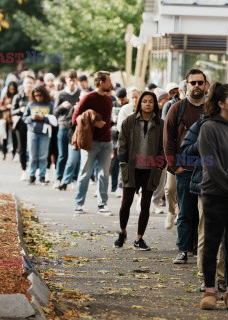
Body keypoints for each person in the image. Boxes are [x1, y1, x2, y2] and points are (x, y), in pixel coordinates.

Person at [197, 82, 228, 311]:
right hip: (215, 194)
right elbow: (212, 166)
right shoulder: (208, 128)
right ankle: (209, 291)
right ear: (220, 104)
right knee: (212, 242)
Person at [180, 111, 226, 294]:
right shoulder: (202, 124)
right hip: (205, 185)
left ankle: (223, 278)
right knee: (205, 232)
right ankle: (205, 278)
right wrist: (203, 143)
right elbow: (184, 153)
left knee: (226, 235)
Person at [164, 69, 206, 264]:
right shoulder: (177, 108)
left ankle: (199, 249)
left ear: (206, 85)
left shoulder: (212, 109)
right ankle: (183, 249)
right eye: (193, 83)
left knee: (202, 214)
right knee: (185, 212)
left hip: (207, 170)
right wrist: (175, 166)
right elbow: (168, 140)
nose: (197, 86)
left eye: (200, 82)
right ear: (186, 86)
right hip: (184, 170)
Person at [114, 91, 165, 251]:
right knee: (126, 202)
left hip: (150, 169)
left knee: (145, 204)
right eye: (145, 101)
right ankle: (122, 232)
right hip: (131, 167)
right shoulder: (129, 121)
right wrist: (122, 160)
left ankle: (139, 238)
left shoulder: (160, 124)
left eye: (151, 101)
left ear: (155, 104)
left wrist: (159, 164)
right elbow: (121, 140)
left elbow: (163, 146)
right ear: (139, 104)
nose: (148, 104)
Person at [71, 71, 113, 214]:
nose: (110, 84)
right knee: (85, 173)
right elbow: (75, 118)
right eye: (108, 81)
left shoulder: (109, 99)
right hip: (91, 142)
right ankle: (78, 203)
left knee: (104, 174)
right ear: (101, 82)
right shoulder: (88, 98)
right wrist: (93, 121)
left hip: (107, 142)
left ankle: (102, 204)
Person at [162, 80, 186, 230]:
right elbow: (166, 131)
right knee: (170, 188)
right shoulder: (171, 106)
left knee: (186, 191)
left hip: (193, 156)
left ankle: (180, 213)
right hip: (175, 154)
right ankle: (171, 211)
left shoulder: (202, 107)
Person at [22, 85, 56, 184]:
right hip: (32, 131)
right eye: (36, 95)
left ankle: (42, 176)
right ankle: (32, 176)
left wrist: (43, 118)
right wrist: (32, 117)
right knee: (32, 155)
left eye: (40, 95)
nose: (38, 97)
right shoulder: (30, 104)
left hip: (45, 132)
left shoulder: (49, 104)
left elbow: (54, 119)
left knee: (43, 156)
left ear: (44, 94)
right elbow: (25, 118)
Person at [53, 70, 81, 188]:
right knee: (62, 155)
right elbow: (55, 112)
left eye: (74, 81)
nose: (72, 83)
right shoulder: (61, 94)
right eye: (70, 80)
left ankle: (73, 178)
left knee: (75, 155)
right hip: (63, 126)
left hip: (76, 127)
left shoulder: (80, 93)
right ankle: (58, 178)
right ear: (66, 80)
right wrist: (62, 106)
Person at [12, 74, 35, 180]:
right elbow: (12, 111)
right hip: (21, 123)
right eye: (27, 83)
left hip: (34, 123)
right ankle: (24, 170)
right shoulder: (18, 96)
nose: (29, 85)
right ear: (23, 84)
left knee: (33, 148)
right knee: (22, 148)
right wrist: (20, 110)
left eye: (31, 83)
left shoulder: (36, 96)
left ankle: (34, 169)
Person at [0, 81, 18, 160]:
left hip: (14, 120)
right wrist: (7, 107)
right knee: (5, 137)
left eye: (13, 89)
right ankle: (4, 153)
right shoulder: (5, 96)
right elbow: (0, 106)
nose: (12, 90)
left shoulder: (17, 96)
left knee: (14, 138)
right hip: (6, 119)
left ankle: (14, 154)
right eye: (11, 89)